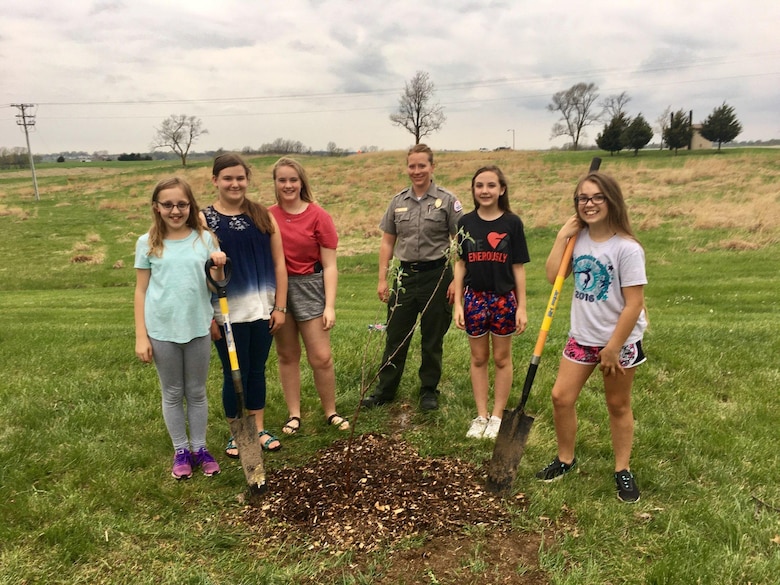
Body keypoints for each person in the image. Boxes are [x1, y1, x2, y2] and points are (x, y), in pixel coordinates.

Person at [535, 171, 647, 503]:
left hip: (619, 342)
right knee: (561, 397)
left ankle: (622, 469)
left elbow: (634, 303)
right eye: (583, 198)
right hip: (581, 338)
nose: (590, 204)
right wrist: (561, 237)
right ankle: (566, 459)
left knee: (617, 404)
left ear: (611, 200)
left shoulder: (627, 249)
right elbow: (553, 275)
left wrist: (613, 348)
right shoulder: (577, 239)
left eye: (597, 197)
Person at [134, 177, 225, 480]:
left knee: (197, 391)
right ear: (156, 208)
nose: (175, 210)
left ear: (191, 206)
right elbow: (141, 291)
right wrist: (141, 335)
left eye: (182, 204)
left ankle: (200, 448)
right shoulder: (147, 243)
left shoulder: (205, 240)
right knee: (173, 392)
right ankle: (181, 450)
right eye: (168, 204)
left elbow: (215, 285)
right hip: (161, 330)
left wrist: (220, 266)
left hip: (197, 327)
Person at [361, 144, 463, 412]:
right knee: (396, 336)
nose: (416, 171)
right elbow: (387, 243)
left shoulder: (447, 200)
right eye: (412, 166)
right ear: (407, 168)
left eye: (422, 165)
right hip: (404, 277)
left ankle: (428, 390)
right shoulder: (398, 202)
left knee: (432, 338)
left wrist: (456, 281)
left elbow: (460, 243)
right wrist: (383, 279)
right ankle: (385, 389)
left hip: (437, 277)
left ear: (432, 167)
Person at [201, 153, 288, 457]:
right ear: (215, 180)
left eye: (240, 178)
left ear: (247, 180)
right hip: (224, 313)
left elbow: (279, 263)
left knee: (256, 370)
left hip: (262, 309)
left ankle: (258, 428)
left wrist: (280, 306)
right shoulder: (203, 219)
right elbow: (196, 271)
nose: (234, 183)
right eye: (227, 178)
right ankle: (238, 433)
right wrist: (206, 318)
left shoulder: (263, 215)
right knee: (233, 372)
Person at [268, 157, 349, 435]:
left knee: (321, 357)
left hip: (311, 287)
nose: (288, 185)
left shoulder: (318, 216)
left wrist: (330, 305)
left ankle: (330, 411)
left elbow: (330, 265)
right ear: (275, 183)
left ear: (302, 182)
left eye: (293, 179)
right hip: (279, 289)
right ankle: (294, 414)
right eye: (282, 180)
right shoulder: (267, 216)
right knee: (287, 354)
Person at [453, 166, 529, 440]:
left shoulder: (512, 223)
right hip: (474, 298)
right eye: (479, 186)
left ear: (501, 189)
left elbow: (518, 267)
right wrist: (458, 303)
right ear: (473, 190)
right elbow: (460, 264)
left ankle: (497, 416)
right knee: (478, 358)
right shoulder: (465, 224)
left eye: (491, 185)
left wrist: (521, 306)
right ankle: (481, 415)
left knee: (501, 358)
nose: (485, 191)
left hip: (503, 299)